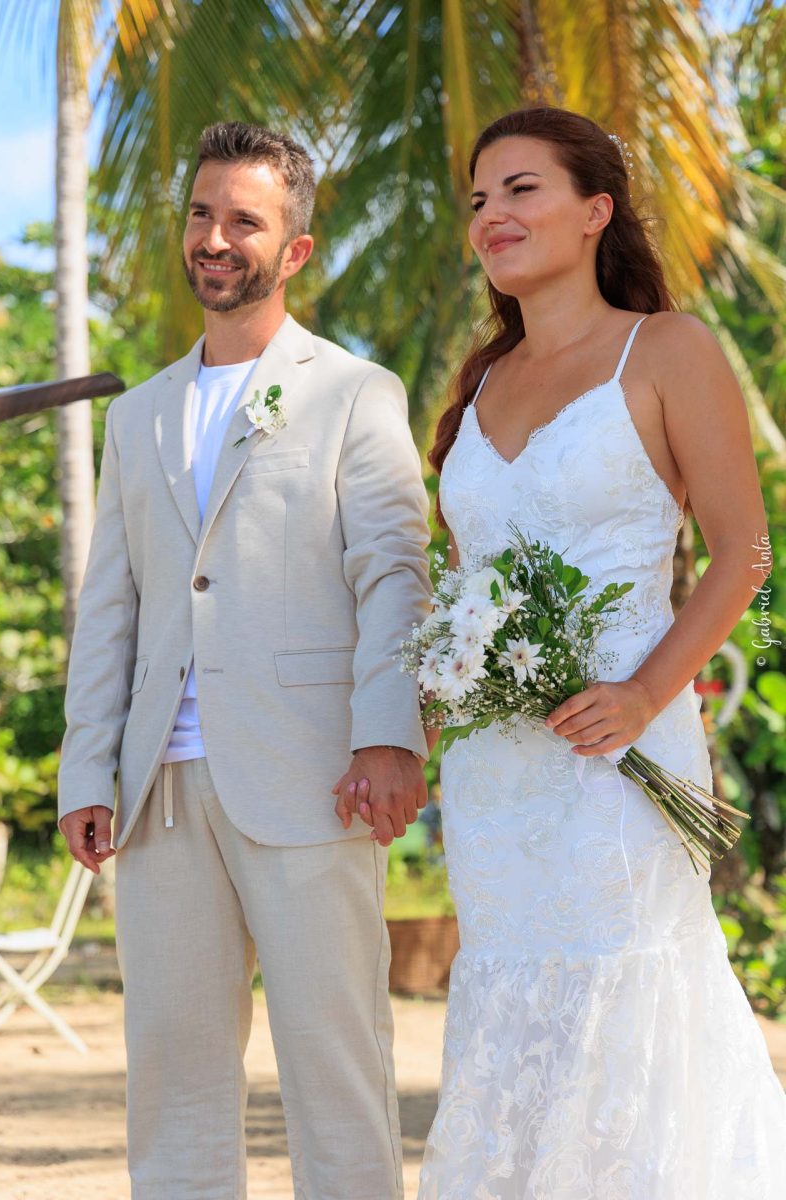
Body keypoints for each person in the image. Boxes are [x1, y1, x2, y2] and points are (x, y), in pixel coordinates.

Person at [414, 106, 786, 1198]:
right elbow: (463, 585)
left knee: (626, 1001)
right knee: (512, 1013)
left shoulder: (665, 349)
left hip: (623, 754)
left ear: (594, 211)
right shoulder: (479, 384)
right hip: (495, 778)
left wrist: (641, 694)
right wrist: (431, 707)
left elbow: (746, 553)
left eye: (520, 189)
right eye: (478, 199)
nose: (491, 214)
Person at [57, 120, 432, 1200]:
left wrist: (387, 735)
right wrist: (87, 769)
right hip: (160, 791)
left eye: (244, 221)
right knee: (172, 1080)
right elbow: (111, 607)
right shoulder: (136, 416)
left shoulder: (355, 391)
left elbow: (392, 574)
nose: (214, 238)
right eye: (201, 213)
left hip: (312, 773)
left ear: (295, 249)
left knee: (335, 1064)